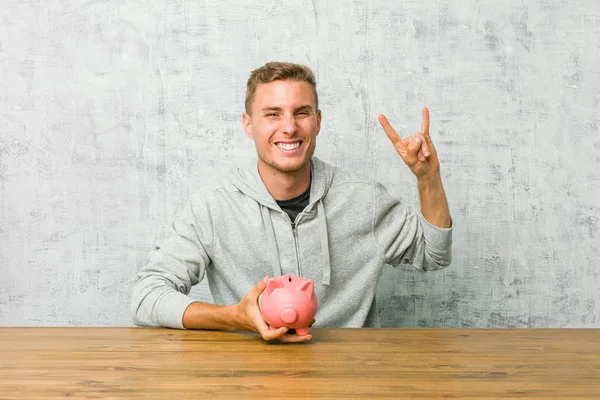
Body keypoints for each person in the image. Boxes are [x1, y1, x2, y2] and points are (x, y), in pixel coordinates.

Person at [130, 61, 453, 343]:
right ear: (248, 124)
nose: (289, 127)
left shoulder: (363, 198)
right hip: (245, 379)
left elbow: (433, 254)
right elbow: (147, 297)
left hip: (350, 376)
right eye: (272, 114)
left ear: (318, 121)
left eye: (301, 113)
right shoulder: (213, 207)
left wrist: (428, 179)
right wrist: (234, 317)